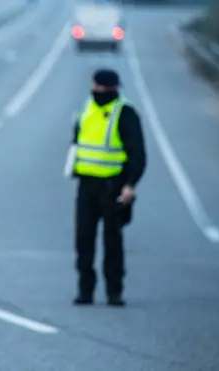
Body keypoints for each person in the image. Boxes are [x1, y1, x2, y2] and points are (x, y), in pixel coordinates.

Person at [69, 69, 146, 307]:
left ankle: (114, 291)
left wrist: (130, 185)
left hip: (114, 186)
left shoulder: (125, 112)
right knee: (84, 238)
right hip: (87, 185)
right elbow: (77, 142)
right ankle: (85, 290)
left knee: (112, 240)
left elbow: (138, 153)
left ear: (101, 86)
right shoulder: (86, 109)